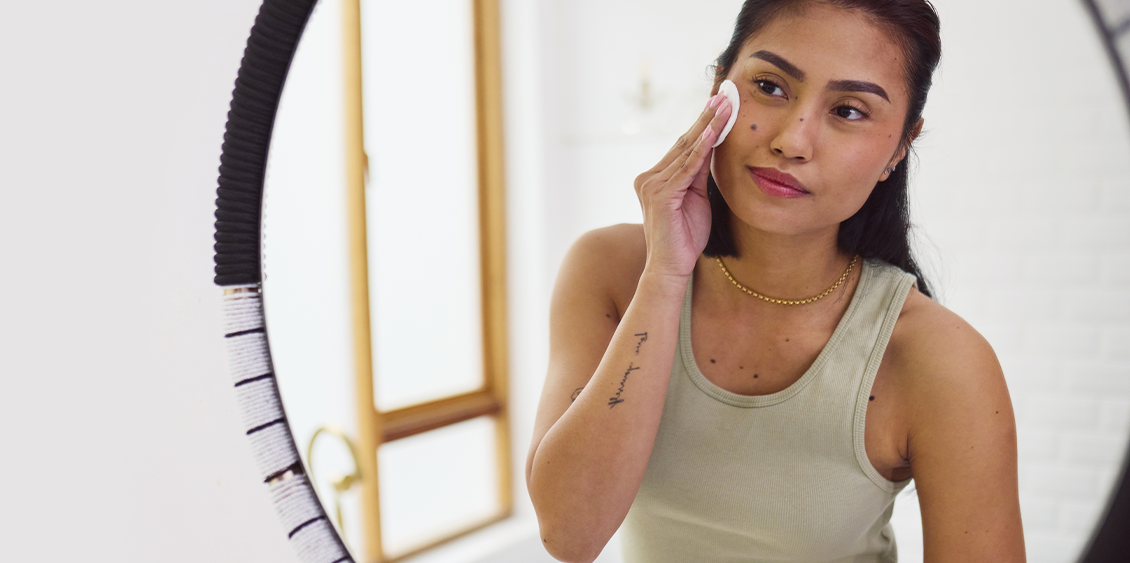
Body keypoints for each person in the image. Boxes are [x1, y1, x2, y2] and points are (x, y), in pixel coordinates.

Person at [525, 0, 1025, 561]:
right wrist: (665, 277)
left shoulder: (939, 359)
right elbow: (569, 533)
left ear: (901, 146)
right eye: (770, 85)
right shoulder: (611, 270)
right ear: (719, 87)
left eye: (850, 111)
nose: (792, 140)